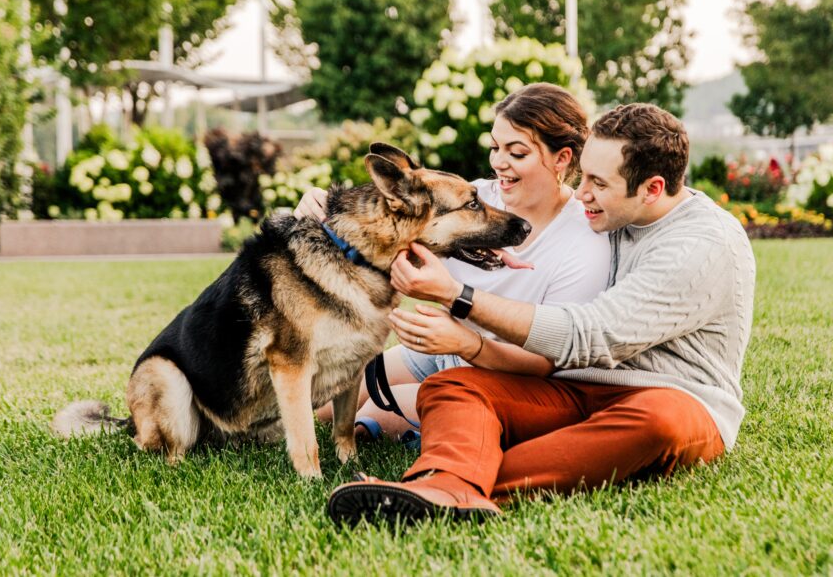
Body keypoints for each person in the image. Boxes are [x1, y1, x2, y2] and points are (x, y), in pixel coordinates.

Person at [326, 103, 757, 524]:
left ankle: (455, 483)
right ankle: (445, 485)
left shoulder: (702, 245)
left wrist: (459, 295)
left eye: (597, 183)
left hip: (671, 396)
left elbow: (590, 335)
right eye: (583, 174)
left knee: (657, 421)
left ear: (652, 189)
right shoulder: (612, 212)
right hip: (575, 387)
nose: (581, 192)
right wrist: (330, 206)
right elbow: (423, 206)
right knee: (457, 384)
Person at [298, 83, 610, 440]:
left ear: (562, 158)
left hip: (510, 375)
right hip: (442, 351)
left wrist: (465, 341)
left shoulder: (585, 241)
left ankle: (425, 429)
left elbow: (543, 363)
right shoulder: (476, 196)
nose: (498, 163)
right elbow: (388, 223)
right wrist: (322, 206)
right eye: (495, 147)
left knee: (376, 412)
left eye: (517, 152)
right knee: (324, 400)